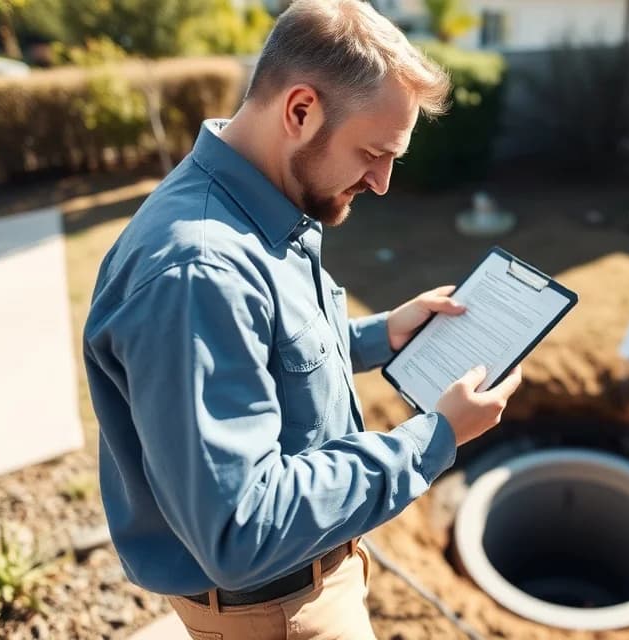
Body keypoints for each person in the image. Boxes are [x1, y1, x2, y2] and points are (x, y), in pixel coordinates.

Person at [82, 1, 522, 637]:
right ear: (300, 111)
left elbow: (258, 353)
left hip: (296, 590)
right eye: (374, 152)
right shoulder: (200, 271)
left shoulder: (251, 204)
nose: (382, 182)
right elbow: (242, 529)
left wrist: (379, 336)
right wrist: (434, 439)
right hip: (278, 612)